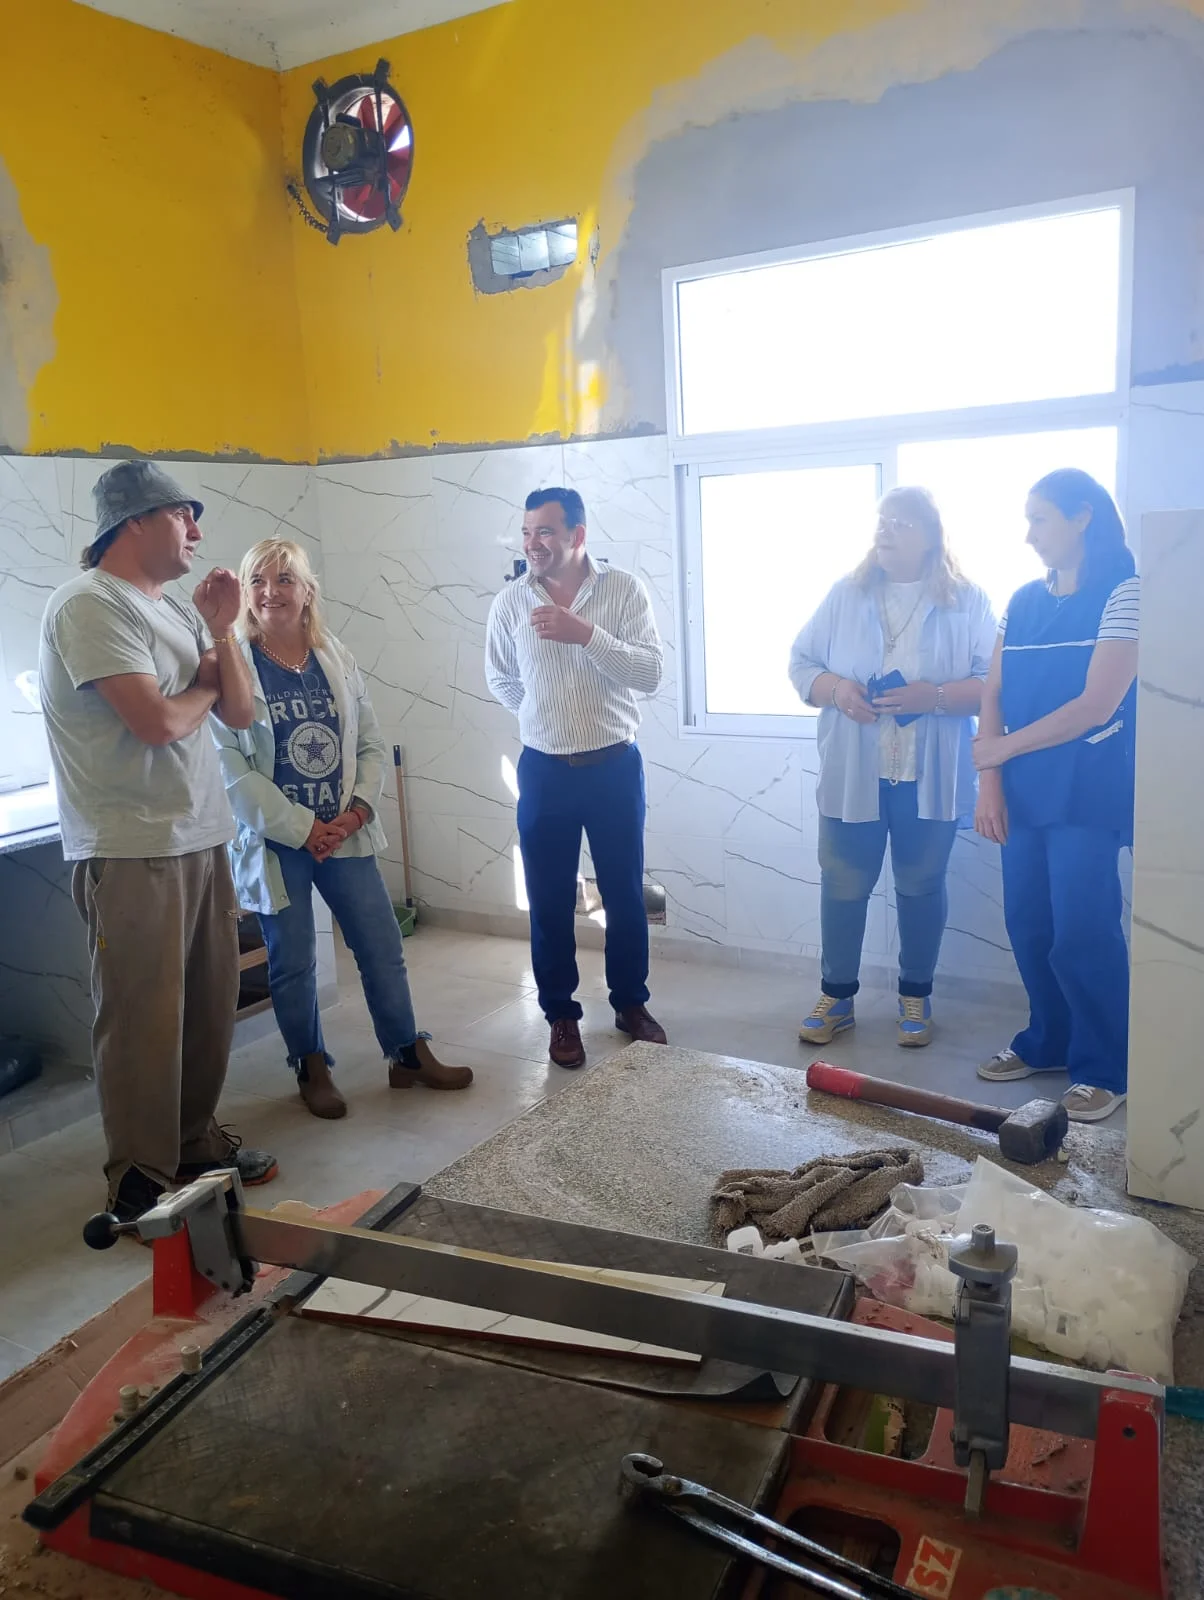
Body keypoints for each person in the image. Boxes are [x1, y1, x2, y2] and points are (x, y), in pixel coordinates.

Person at [39, 461, 277, 1221]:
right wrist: (204, 685)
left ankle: (194, 1145)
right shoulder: (88, 604)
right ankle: (140, 1178)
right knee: (143, 1018)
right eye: (184, 516)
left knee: (208, 1007)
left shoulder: (171, 610)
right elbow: (157, 722)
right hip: (132, 845)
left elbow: (238, 713)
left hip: (201, 834)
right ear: (135, 521)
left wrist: (220, 634)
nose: (198, 533)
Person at [212, 538, 472, 1117]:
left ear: (308, 591)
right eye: (257, 581)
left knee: (381, 947)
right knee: (295, 958)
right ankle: (310, 1064)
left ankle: (407, 1052)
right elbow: (230, 769)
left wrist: (354, 812)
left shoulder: (335, 655)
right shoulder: (233, 666)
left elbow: (372, 742)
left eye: (284, 580)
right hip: (282, 841)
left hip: (345, 831)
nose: (269, 592)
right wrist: (304, 828)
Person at [788, 486, 997, 1048]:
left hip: (929, 775)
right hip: (855, 770)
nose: (885, 530)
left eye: (901, 522)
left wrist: (932, 696)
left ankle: (916, 994)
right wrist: (836, 690)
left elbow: (991, 687)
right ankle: (837, 996)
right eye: (882, 520)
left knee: (922, 884)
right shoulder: (845, 595)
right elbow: (801, 664)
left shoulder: (968, 601)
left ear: (931, 536)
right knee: (843, 883)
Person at [973, 469, 1138, 1123]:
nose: (1029, 534)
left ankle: (1103, 1067)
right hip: (1023, 788)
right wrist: (991, 780)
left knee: (1082, 930)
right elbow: (992, 694)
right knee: (1030, 924)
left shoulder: (1123, 594)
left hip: (1087, 789)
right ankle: (1048, 1041)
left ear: (1084, 517)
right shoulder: (1021, 600)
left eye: (1039, 518)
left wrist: (1003, 752)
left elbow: (1096, 706)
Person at [484, 488, 666, 1070]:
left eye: (547, 533)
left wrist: (584, 634)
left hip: (614, 765)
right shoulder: (511, 602)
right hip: (543, 769)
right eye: (528, 532)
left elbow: (650, 674)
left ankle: (630, 1004)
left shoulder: (623, 591)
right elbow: (502, 680)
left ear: (578, 535)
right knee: (548, 900)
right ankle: (561, 1015)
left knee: (623, 895)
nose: (534, 544)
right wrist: (547, 719)